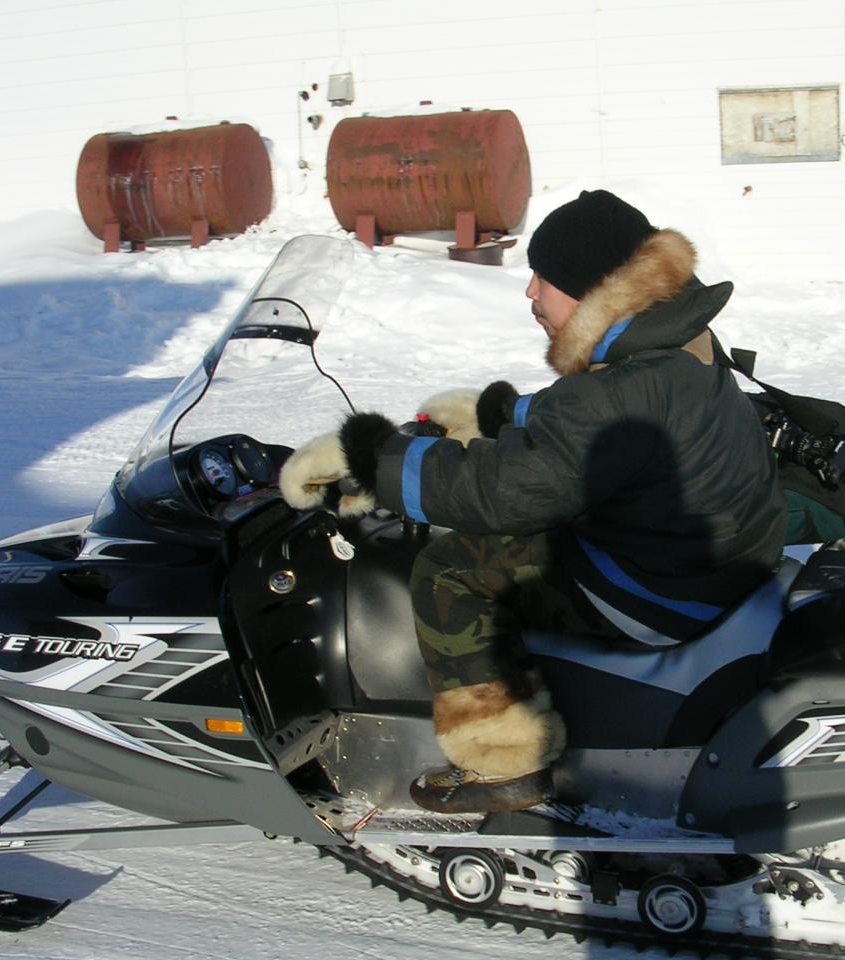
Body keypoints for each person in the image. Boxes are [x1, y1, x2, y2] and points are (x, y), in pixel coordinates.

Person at [280, 190, 785, 813]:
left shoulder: (621, 388)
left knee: (449, 569)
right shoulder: (676, 343)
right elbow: (588, 427)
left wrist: (374, 462)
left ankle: (502, 761)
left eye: (542, 278)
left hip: (660, 589)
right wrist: (499, 415)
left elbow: (505, 493)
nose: (531, 293)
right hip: (712, 560)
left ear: (590, 289)